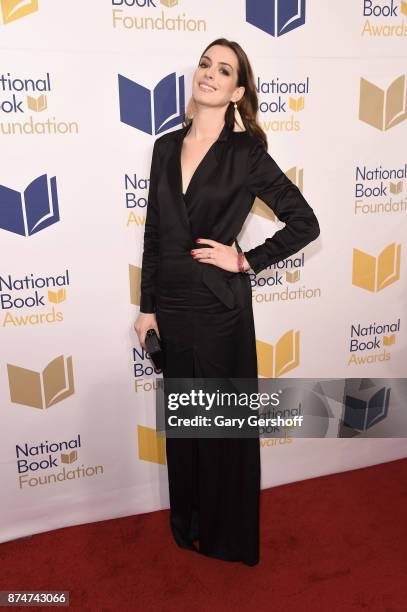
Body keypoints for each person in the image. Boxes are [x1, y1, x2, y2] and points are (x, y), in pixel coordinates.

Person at [134, 38, 320, 566]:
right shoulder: (165, 147)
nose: (209, 74)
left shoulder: (246, 155)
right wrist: (147, 307)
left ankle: (225, 536)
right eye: (204, 64)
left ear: (238, 91)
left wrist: (247, 259)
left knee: (219, 427)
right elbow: (154, 233)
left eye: (223, 70)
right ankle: (188, 521)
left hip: (219, 309)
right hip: (171, 305)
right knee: (185, 424)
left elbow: (305, 223)